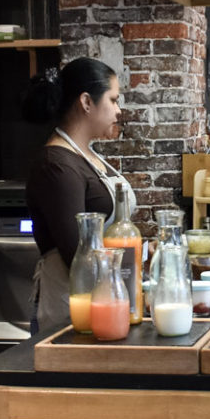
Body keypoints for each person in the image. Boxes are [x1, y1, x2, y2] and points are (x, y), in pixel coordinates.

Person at [23, 58, 133, 334]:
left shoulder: (86, 156)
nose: (119, 111)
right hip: (70, 312)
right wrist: (131, 257)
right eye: (113, 100)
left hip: (102, 301)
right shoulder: (56, 165)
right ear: (86, 102)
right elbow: (78, 253)